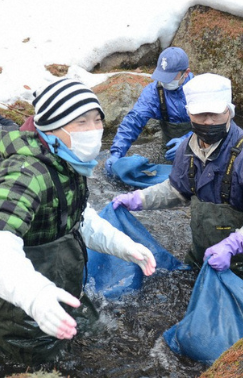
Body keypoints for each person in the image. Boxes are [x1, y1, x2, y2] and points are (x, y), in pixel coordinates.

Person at [0, 78, 156, 363]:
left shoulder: (68, 162)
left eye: (97, 120)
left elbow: (78, 217)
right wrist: (35, 296)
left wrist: (124, 246)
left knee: (92, 341)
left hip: (66, 288)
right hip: (21, 307)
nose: (94, 131)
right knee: (35, 364)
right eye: (81, 122)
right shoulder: (27, 174)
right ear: (51, 128)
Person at [111, 73, 243, 291]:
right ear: (189, 113)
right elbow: (176, 190)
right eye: (200, 114)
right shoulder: (186, 148)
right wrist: (139, 199)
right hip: (200, 257)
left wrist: (234, 244)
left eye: (215, 114)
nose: (208, 121)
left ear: (229, 111)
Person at [105, 47, 195, 177]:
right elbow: (134, 120)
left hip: (202, 145)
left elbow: (215, 126)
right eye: (162, 76)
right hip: (170, 149)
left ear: (186, 73)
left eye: (169, 77)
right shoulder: (154, 92)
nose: (164, 81)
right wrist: (117, 152)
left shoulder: (199, 90)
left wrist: (188, 142)